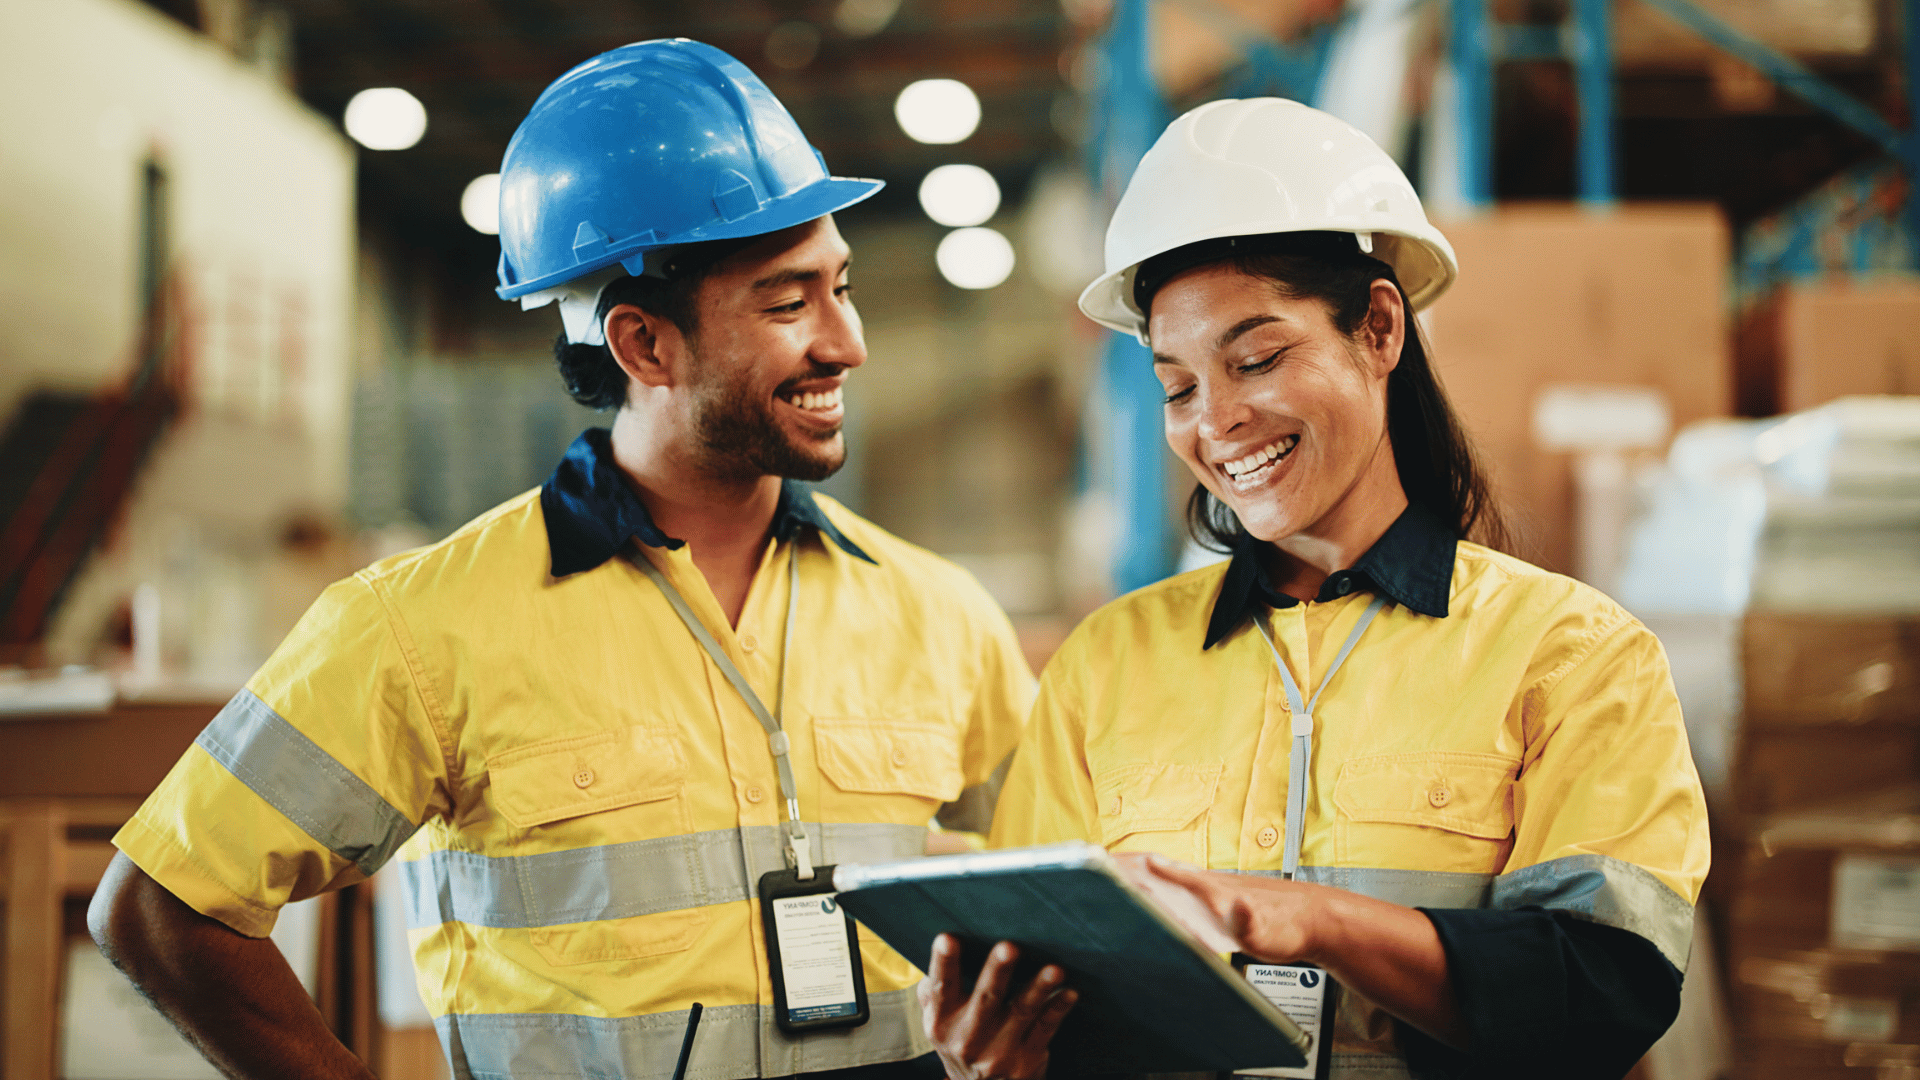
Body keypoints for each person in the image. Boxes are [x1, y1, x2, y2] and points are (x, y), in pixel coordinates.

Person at [89, 40, 1031, 1080]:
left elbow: (1048, 900)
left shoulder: (940, 613)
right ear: (643, 346)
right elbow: (160, 907)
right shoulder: (422, 626)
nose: (847, 341)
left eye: (841, 285)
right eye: (787, 301)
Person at [919, 98, 1708, 1080]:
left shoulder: (1572, 654)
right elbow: (1060, 979)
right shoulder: (1107, 663)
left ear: (1378, 329)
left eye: (1257, 358)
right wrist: (1002, 1055)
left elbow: (1602, 989)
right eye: (1178, 386)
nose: (1219, 422)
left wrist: (1315, 921)